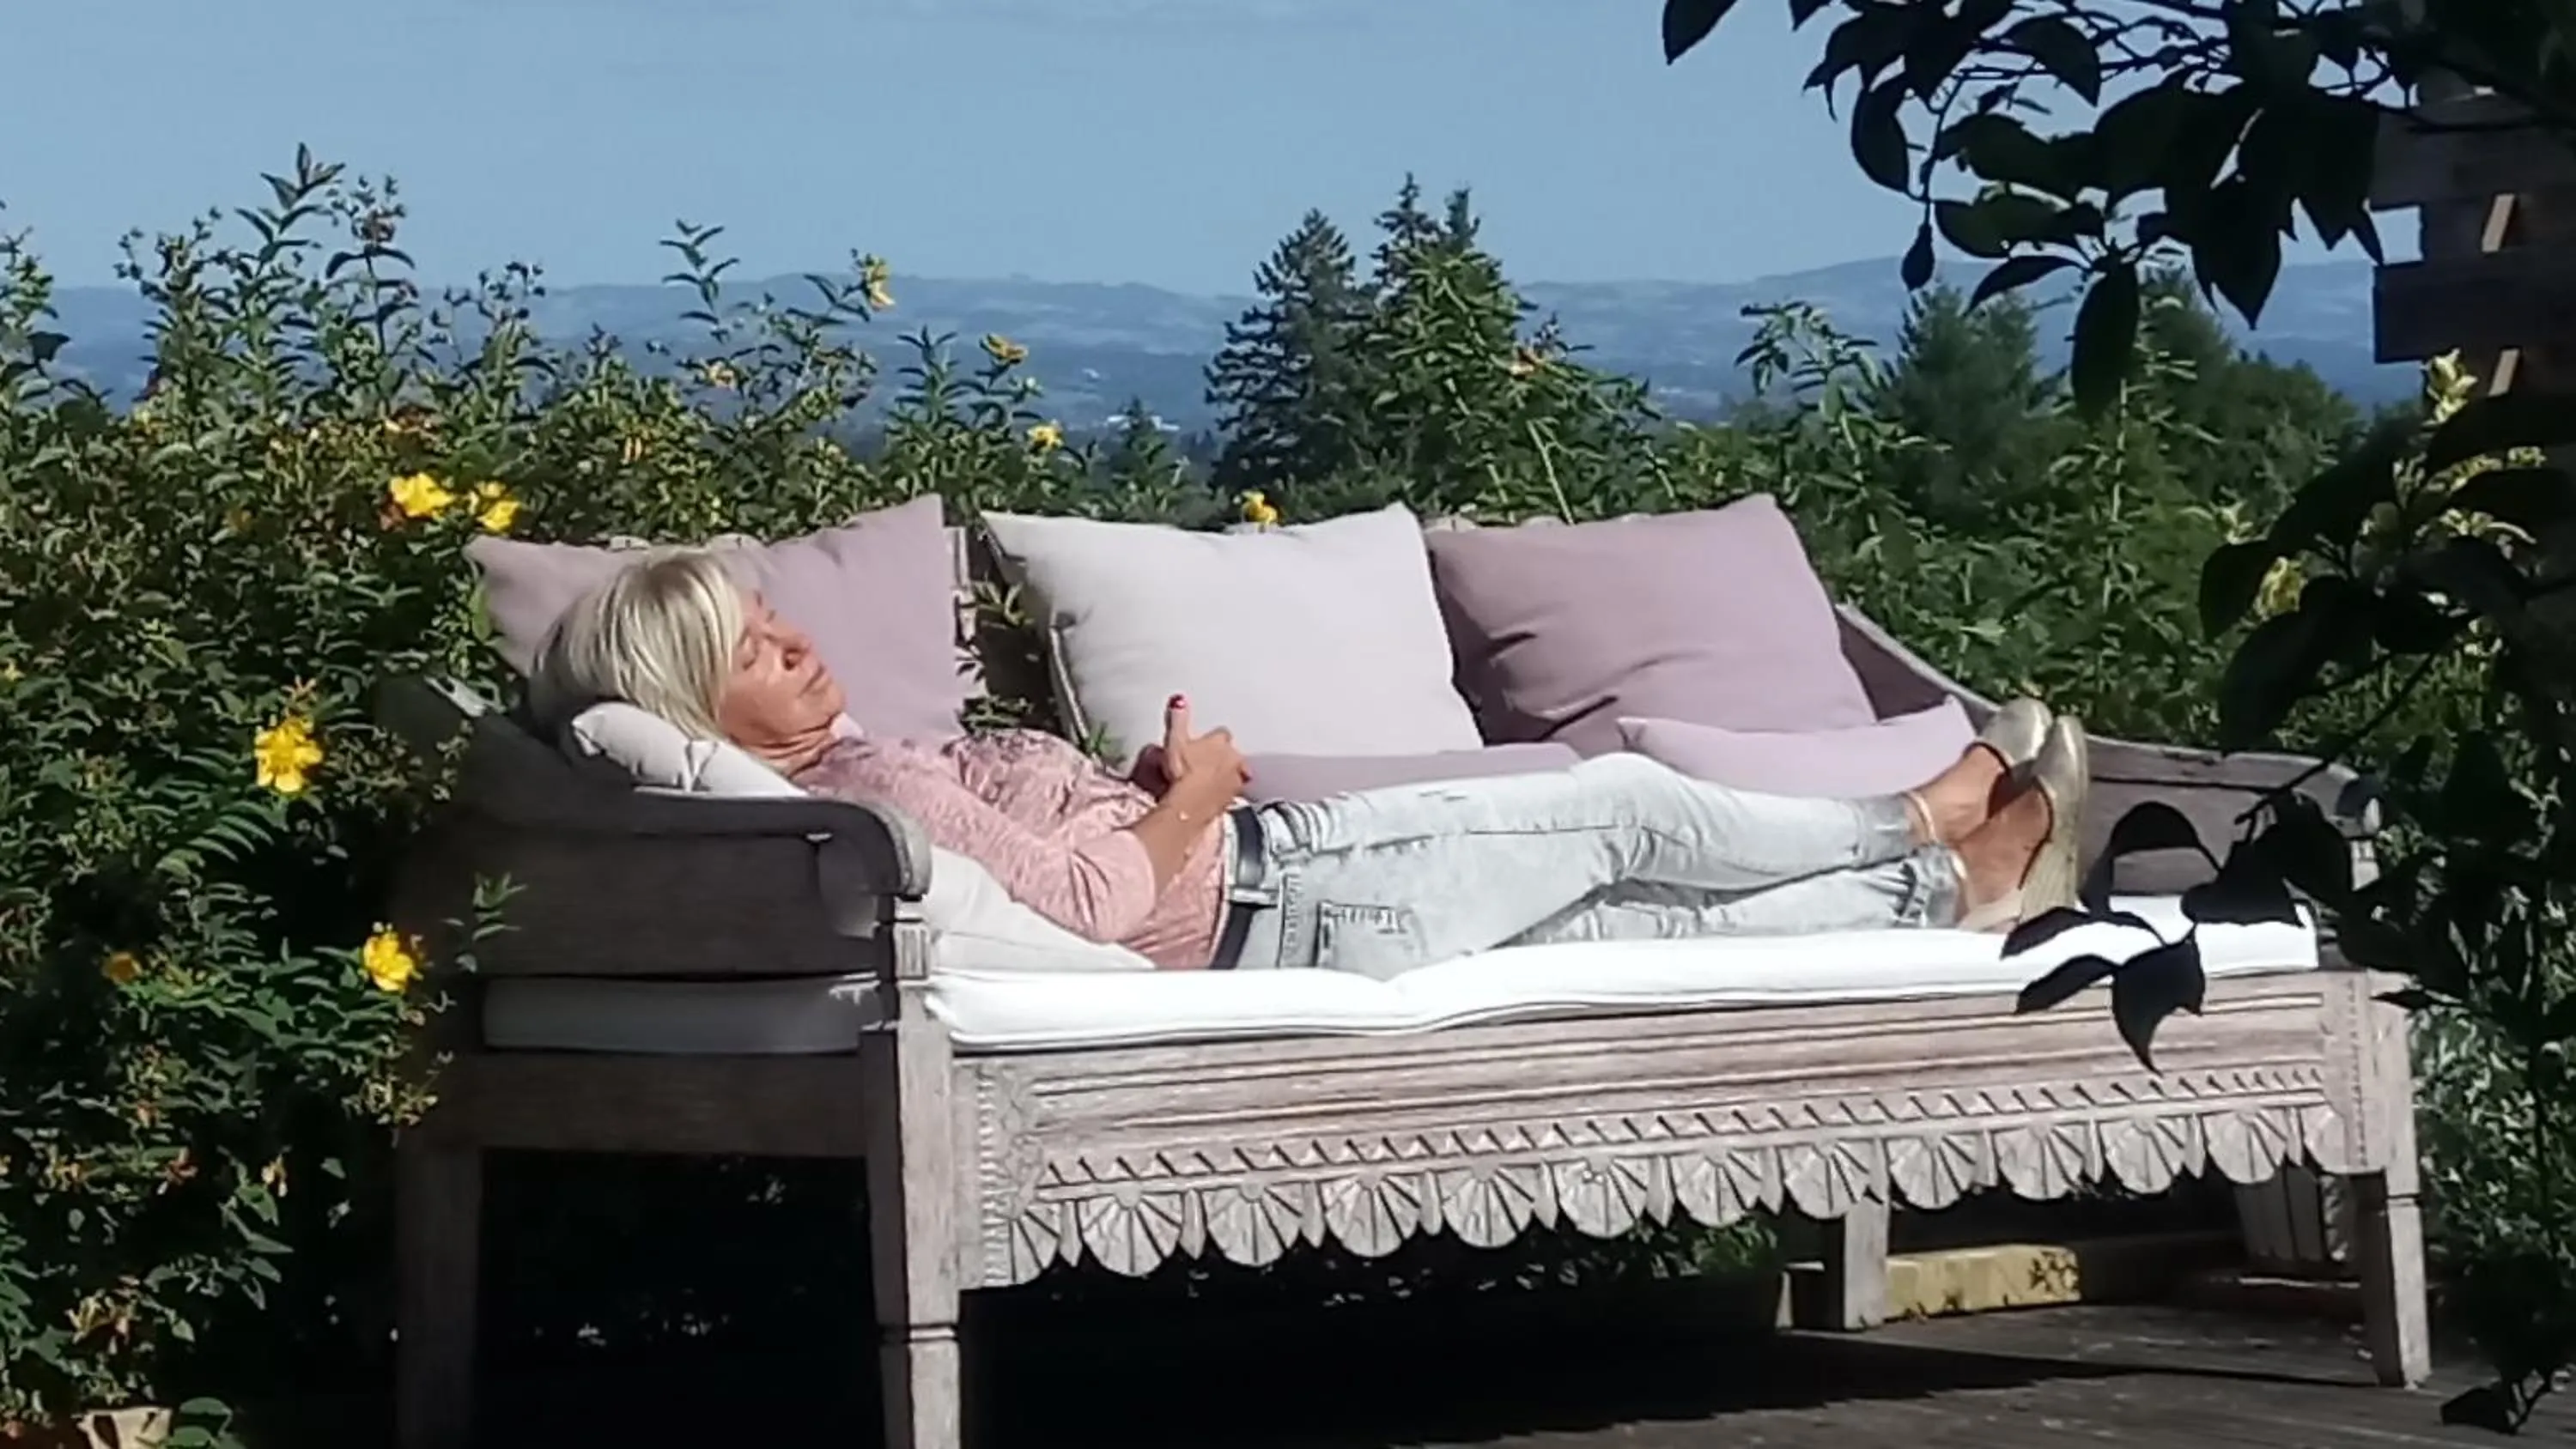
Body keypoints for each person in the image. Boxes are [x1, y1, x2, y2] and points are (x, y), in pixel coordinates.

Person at [529, 549, 2091, 980]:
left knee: (1639, 923)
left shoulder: (856, 768)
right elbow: (1079, 904)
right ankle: (1925, 812)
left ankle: (1938, 890)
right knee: (1619, 809)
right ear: (694, 700)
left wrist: (1145, 786)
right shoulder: (857, 798)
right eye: (749, 648)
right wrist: (1201, 792)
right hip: (1287, 887)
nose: (793, 641)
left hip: (1283, 901)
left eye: (774, 615)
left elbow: (1067, 860)